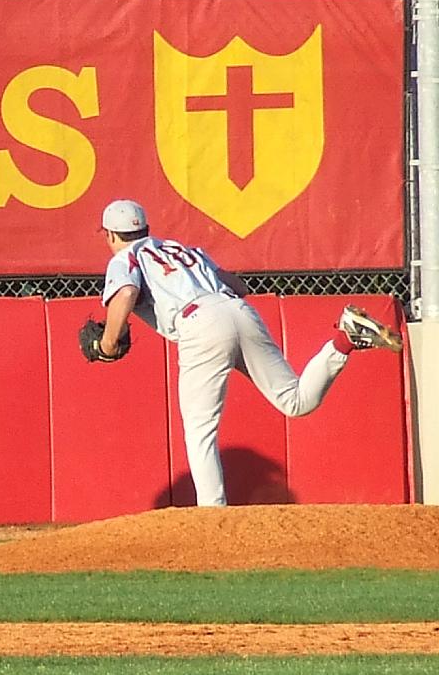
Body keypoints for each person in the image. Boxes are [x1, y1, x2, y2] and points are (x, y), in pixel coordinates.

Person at [96, 199, 403, 507]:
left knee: (200, 430)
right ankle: (344, 340)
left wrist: (107, 345)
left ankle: (212, 517)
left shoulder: (125, 258)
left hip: (198, 324)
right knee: (295, 401)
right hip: (237, 309)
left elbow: (125, 293)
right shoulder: (183, 249)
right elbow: (238, 286)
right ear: (147, 228)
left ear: (110, 235)